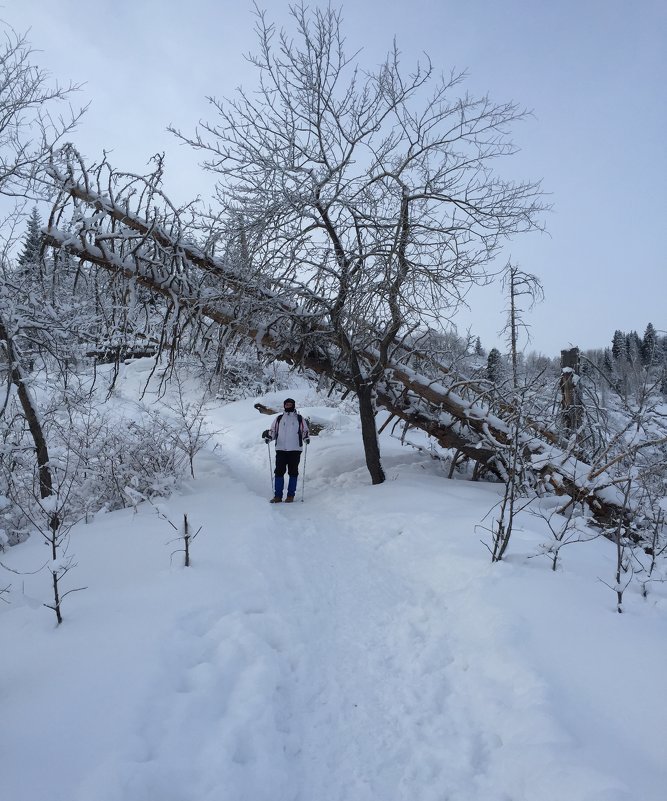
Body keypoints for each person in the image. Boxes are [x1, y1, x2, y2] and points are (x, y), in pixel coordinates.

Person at [262, 398, 310, 503]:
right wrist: (269, 437)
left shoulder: (299, 418)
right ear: (284, 406)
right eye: (286, 404)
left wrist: (306, 437)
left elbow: (305, 430)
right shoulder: (279, 418)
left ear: (293, 405)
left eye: (290, 404)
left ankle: (290, 496)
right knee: (279, 472)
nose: (288, 406)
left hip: (295, 449)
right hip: (281, 449)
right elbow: (273, 431)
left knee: (293, 472)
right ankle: (278, 496)